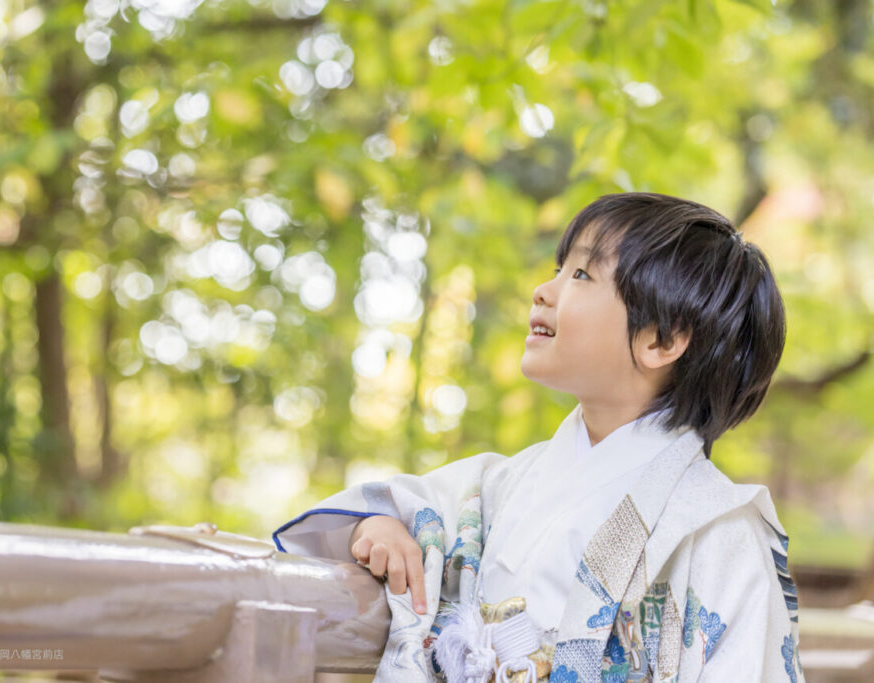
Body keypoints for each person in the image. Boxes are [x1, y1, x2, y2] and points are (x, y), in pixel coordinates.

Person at [273, 193, 804, 682]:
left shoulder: (718, 532)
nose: (543, 291)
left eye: (581, 274)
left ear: (661, 339)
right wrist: (381, 526)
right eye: (559, 269)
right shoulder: (498, 485)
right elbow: (390, 512)